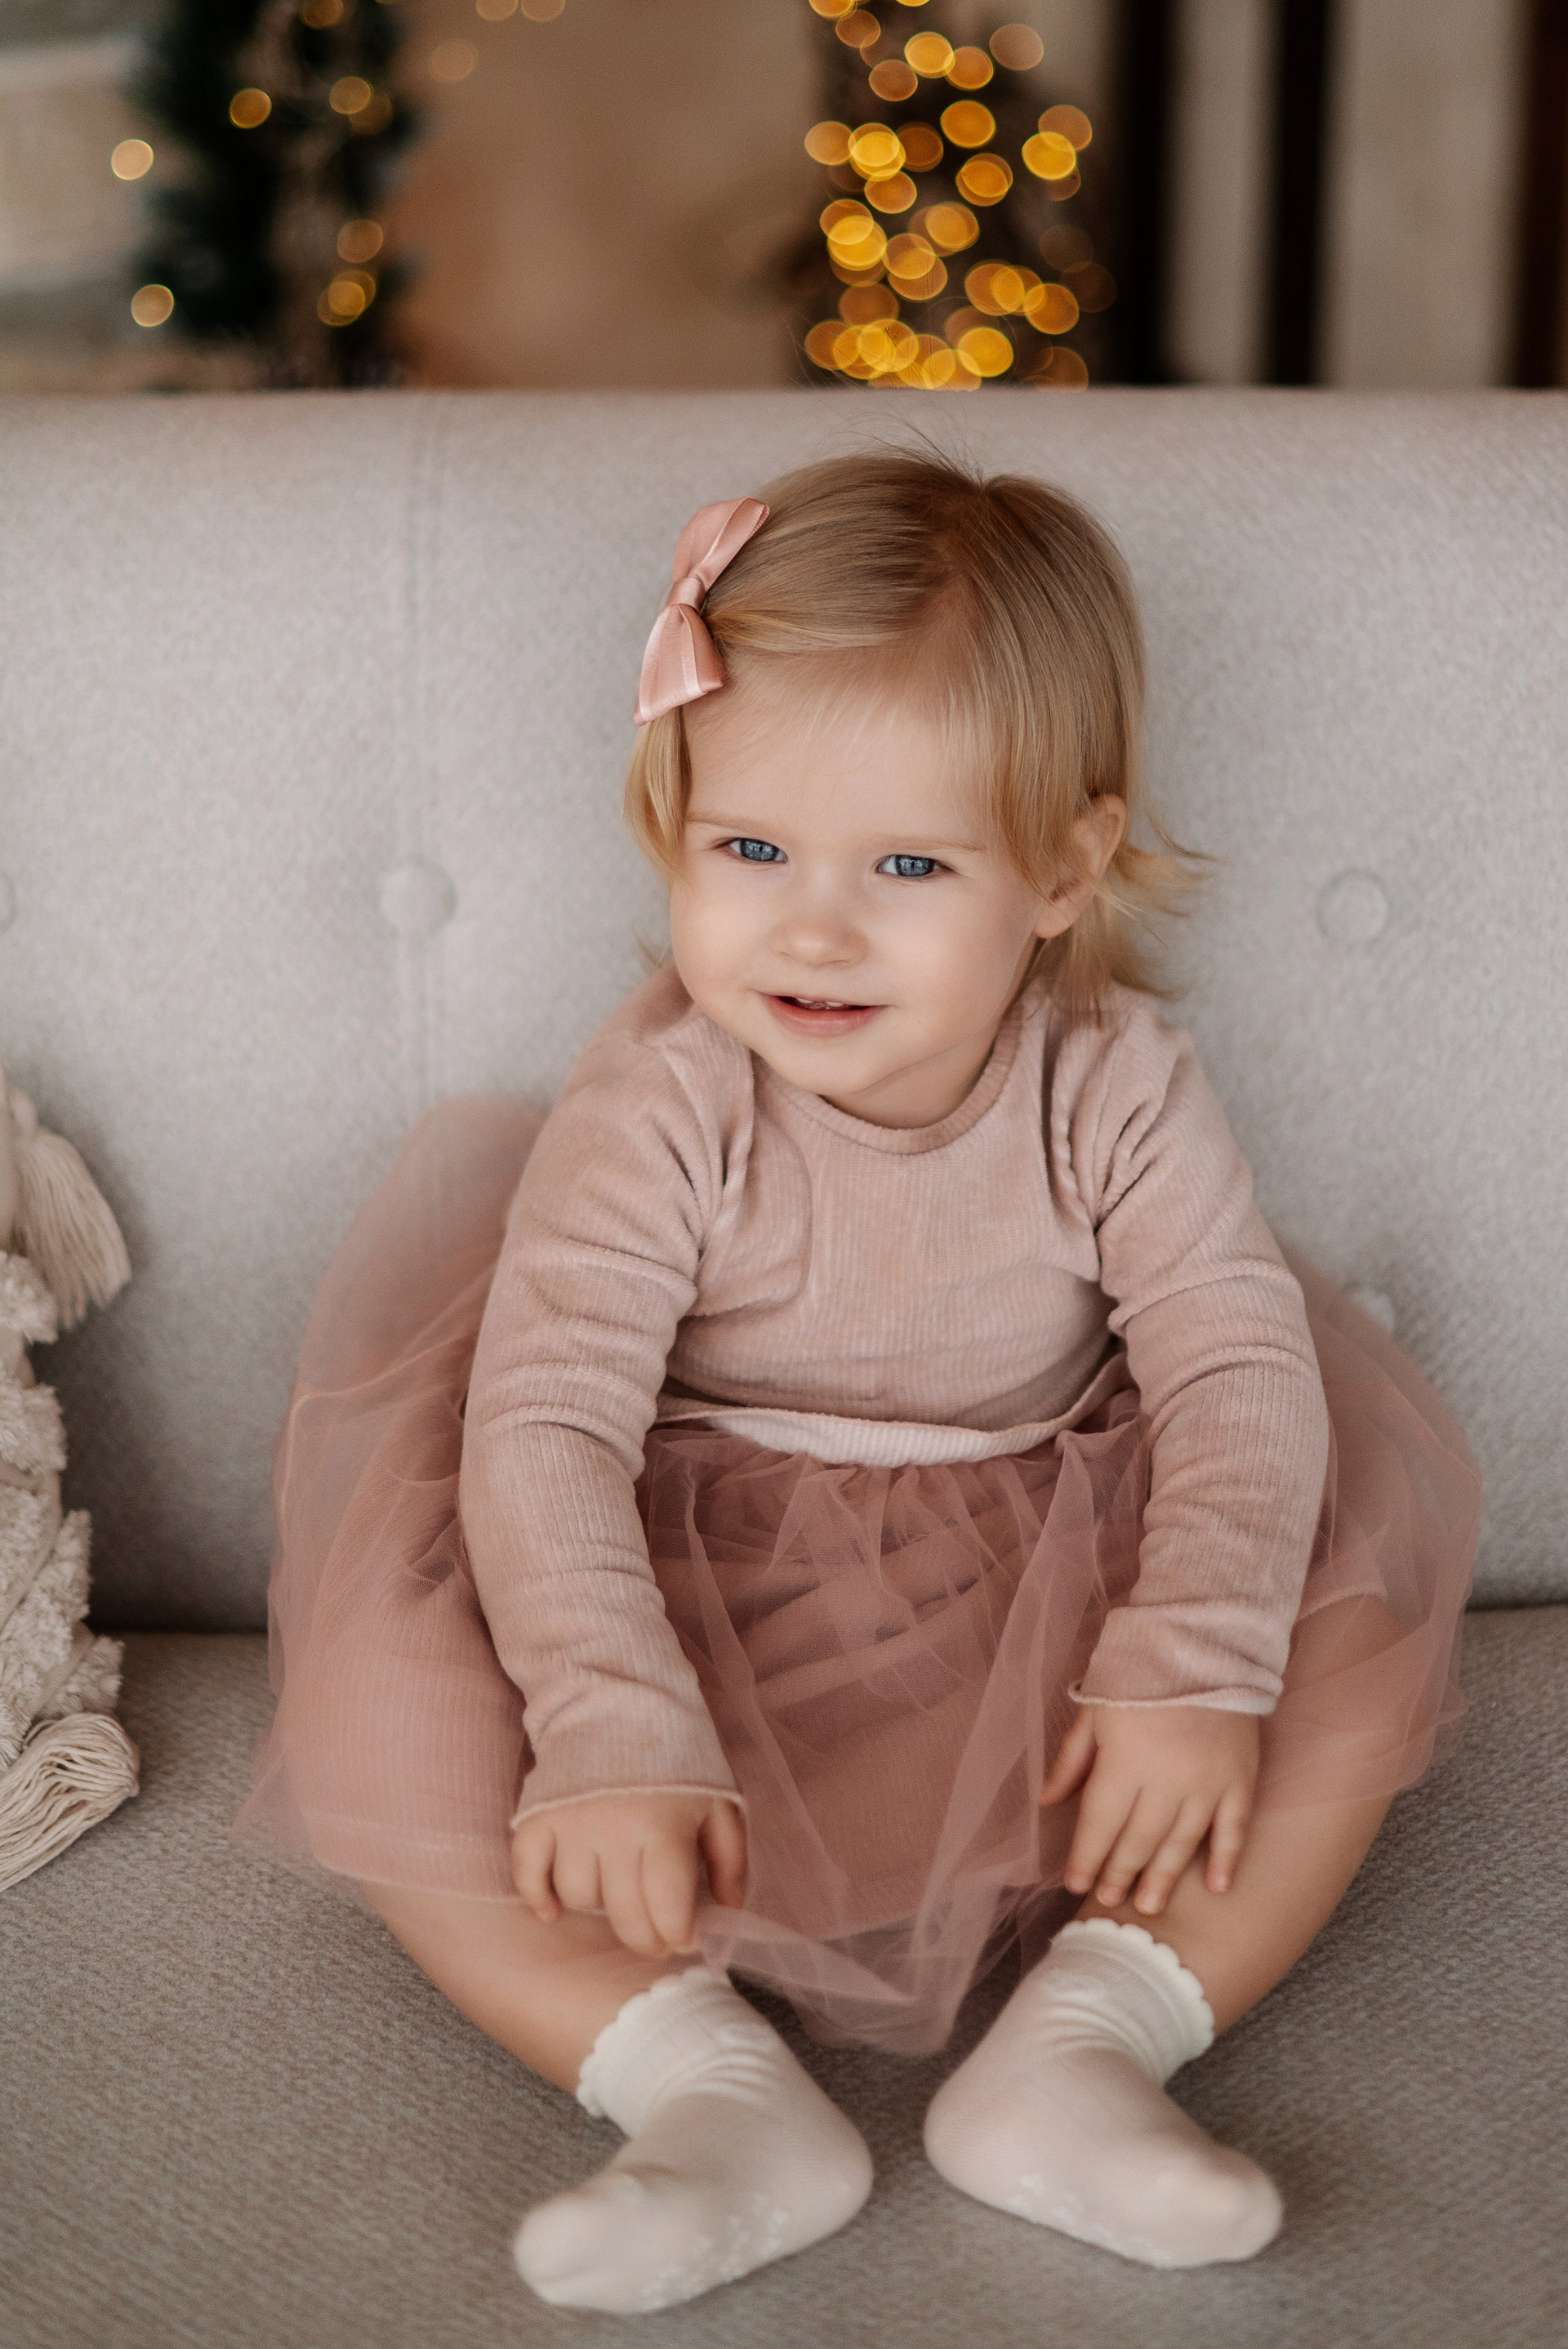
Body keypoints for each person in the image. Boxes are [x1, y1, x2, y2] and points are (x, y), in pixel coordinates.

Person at [233, 449, 1479, 2315]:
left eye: (907, 865)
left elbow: (1230, 1365)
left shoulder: (1114, 1083)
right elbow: (551, 1424)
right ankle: (700, 2089)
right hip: (680, 1576)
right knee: (381, 1689)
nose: (813, 929)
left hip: (1049, 1574)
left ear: (1061, 869)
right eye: (750, 852)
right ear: (673, 831)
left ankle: (1090, 2043)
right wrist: (609, 1718)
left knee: (1343, 1607)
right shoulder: (664, 1105)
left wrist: (1191, 1661)